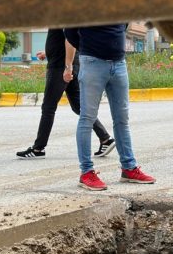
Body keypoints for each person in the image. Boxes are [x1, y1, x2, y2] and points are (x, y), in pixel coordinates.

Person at [64, 24, 154, 191]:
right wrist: (88, 47)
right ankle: (86, 172)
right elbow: (69, 31)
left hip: (119, 63)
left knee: (122, 119)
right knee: (87, 118)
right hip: (92, 63)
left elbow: (123, 25)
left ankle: (128, 168)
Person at [16, 28, 115, 160]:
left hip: (60, 67)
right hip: (67, 64)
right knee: (78, 106)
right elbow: (65, 38)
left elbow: (70, 39)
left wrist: (68, 67)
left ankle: (38, 148)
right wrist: (49, 52)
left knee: (48, 108)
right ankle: (105, 139)